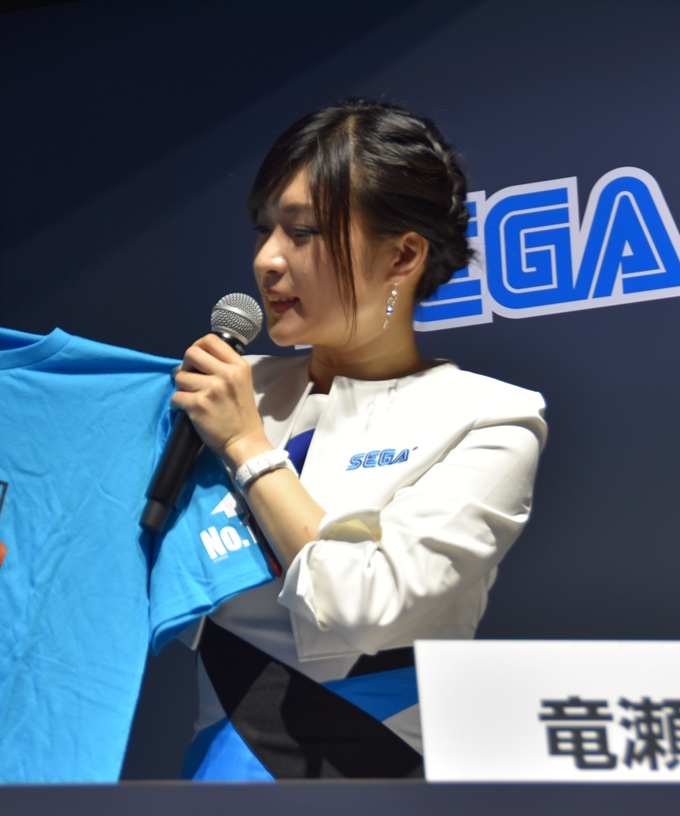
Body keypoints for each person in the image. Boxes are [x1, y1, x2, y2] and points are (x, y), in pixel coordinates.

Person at [171, 98, 548, 780]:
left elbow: (365, 607)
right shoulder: (227, 389)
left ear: (402, 255)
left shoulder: (490, 419)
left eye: (303, 232)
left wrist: (248, 449)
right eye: (264, 229)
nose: (267, 260)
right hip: (219, 771)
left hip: (377, 773)